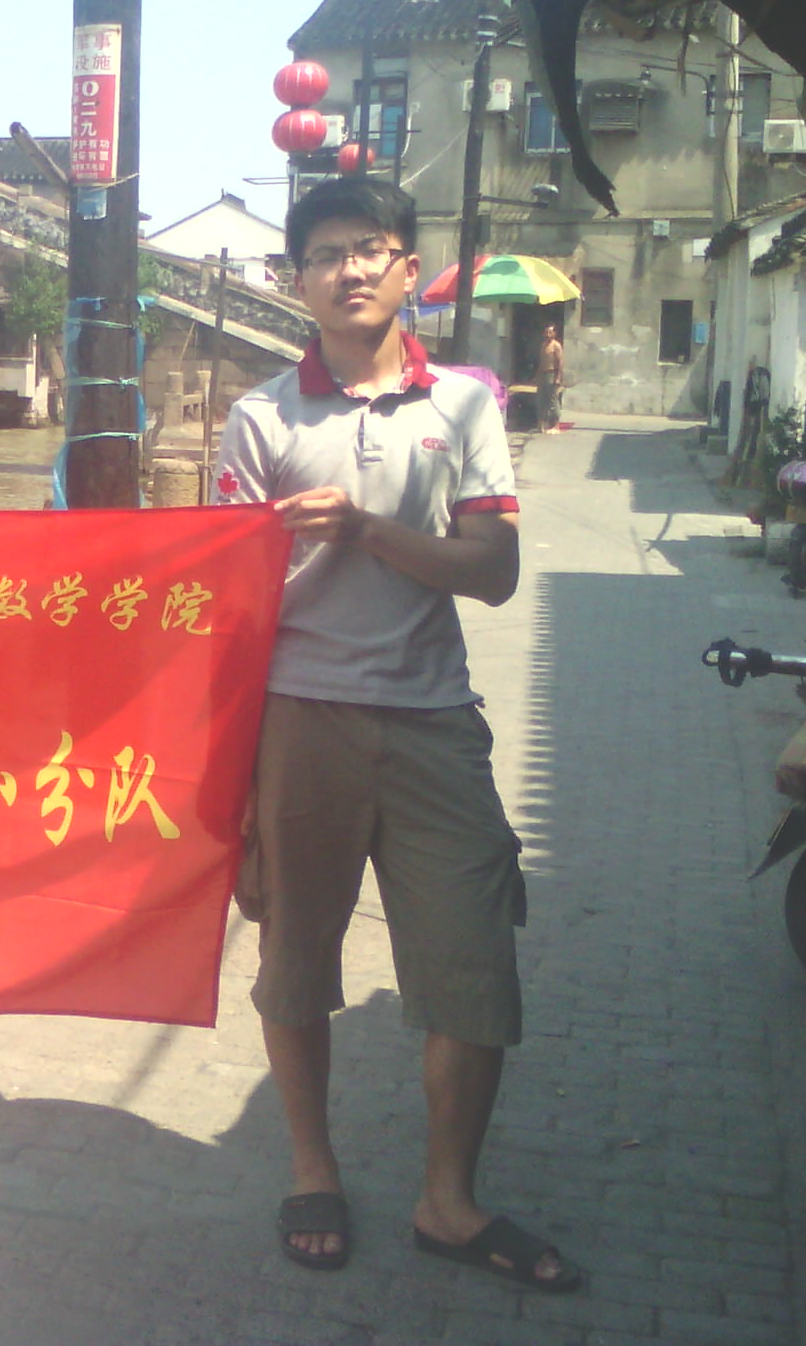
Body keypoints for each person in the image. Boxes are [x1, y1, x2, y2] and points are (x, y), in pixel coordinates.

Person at [215, 177, 581, 1293]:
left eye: (369, 248)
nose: (350, 269)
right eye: (325, 253)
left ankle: (447, 1202)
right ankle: (311, 1169)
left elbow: (493, 572)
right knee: (294, 958)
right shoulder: (261, 417)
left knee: (473, 961)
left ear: (406, 268)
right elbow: (223, 602)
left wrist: (366, 531)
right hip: (298, 719)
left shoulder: (463, 406)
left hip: (433, 720)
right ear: (295, 281)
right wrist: (228, 780)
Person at [537, 323, 565, 432]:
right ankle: (542, 423)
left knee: (553, 400)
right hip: (543, 374)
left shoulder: (556, 346)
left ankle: (556, 424)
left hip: (552, 374)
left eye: (550, 332)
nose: (548, 334)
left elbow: (560, 362)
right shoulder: (543, 345)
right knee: (541, 399)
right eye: (546, 332)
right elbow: (541, 361)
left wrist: (558, 377)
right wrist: (537, 375)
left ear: (554, 333)